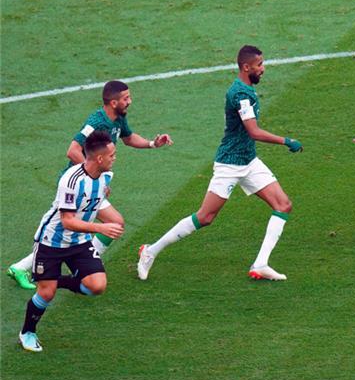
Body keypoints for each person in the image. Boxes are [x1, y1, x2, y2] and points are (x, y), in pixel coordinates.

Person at [137, 45, 303, 281]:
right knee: (205, 217)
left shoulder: (247, 89)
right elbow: (253, 131)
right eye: (259, 65)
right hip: (230, 164)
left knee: (283, 204)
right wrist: (286, 140)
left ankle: (260, 264)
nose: (263, 69)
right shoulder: (240, 94)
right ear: (246, 67)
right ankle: (149, 251)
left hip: (249, 161)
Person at [6, 80, 173, 289]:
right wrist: (97, 179)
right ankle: (28, 268)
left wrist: (152, 143)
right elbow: (73, 150)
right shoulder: (96, 122)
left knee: (113, 223)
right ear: (113, 102)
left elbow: (129, 138)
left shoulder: (118, 119)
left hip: (92, 186)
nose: (130, 101)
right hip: (76, 188)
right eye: (125, 98)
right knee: (63, 230)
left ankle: (84, 265)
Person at [18, 131, 124, 352]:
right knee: (46, 294)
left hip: (79, 242)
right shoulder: (71, 180)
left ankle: (57, 281)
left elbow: (101, 195)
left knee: (97, 286)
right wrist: (101, 227)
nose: (115, 158)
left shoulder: (106, 175)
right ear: (100, 158)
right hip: (52, 242)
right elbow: (67, 221)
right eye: (112, 155)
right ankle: (27, 332)